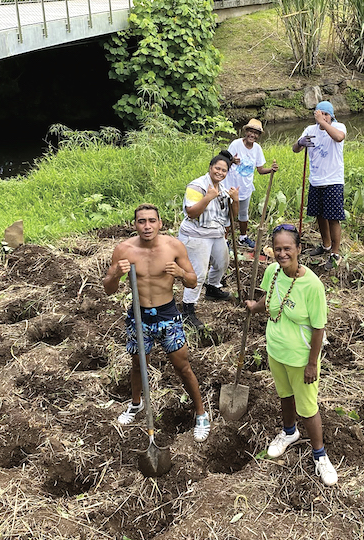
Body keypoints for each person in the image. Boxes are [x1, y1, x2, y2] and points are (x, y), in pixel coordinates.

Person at [103, 204, 211, 442]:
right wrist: (116, 275)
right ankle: (135, 404)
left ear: (160, 223)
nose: (147, 226)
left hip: (167, 314)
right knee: (138, 365)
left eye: (152, 221)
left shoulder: (173, 246)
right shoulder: (124, 249)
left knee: (182, 366)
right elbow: (108, 289)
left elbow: (193, 282)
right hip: (138, 316)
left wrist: (181, 274)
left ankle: (201, 412)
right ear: (135, 225)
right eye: (141, 221)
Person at [245, 223, 338, 486]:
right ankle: (288, 433)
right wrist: (255, 307)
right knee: (284, 396)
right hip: (276, 349)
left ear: (299, 249)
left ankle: (320, 455)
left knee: (307, 408)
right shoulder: (273, 271)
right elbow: (270, 299)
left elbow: (319, 328)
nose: (282, 253)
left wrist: (312, 364)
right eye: (277, 249)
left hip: (301, 357)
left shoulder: (312, 285)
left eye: (287, 248)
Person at [179, 150, 240, 329]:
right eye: (217, 168)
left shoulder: (222, 189)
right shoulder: (197, 186)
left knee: (222, 262)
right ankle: (188, 309)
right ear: (210, 167)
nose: (220, 172)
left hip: (215, 233)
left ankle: (212, 289)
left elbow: (232, 216)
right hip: (196, 234)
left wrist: (235, 201)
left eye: (224, 170)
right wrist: (207, 198)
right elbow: (191, 212)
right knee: (197, 274)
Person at [292, 101, 347, 271]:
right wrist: (301, 142)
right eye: (320, 114)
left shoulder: (339, 126)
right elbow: (295, 149)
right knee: (319, 215)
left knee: (333, 217)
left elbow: (338, 137)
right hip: (315, 180)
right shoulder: (310, 130)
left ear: (331, 116)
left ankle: (335, 254)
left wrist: (323, 123)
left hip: (333, 180)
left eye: (326, 114)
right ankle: (326, 245)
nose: (323, 117)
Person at [224, 118, 279, 249]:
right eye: (250, 131)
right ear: (246, 132)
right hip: (230, 187)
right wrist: (232, 160)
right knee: (228, 214)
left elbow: (260, 170)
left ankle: (243, 237)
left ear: (258, 136)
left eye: (255, 133)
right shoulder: (236, 144)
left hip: (245, 188)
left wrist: (271, 170)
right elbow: (223, 162)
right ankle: (224, 240)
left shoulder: (257, 149)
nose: (252, 135)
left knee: (243, 214)